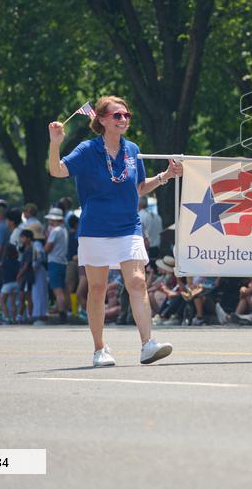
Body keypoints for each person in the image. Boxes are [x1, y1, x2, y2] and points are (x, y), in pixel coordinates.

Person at [48, 95, 182, 367]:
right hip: (95, 229)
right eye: (116, 115)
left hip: (128, 227)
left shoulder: (132, 149)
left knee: (137, 281)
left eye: (126, 115)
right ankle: (100, 349)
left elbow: (139, 188)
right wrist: (55, 144)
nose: (123, 119)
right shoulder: (87, 149)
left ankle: (147, 345)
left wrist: (166, 176)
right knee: (97, 288)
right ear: (101, 120)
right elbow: (57, 171)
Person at [44, 207, 70, 324]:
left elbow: (47, 248)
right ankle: (64, 311)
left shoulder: (55, 231)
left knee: (57, 291)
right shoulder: (64, 230)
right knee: (63, 290)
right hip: (63, 261)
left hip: (54, 261)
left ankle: (61, 314)